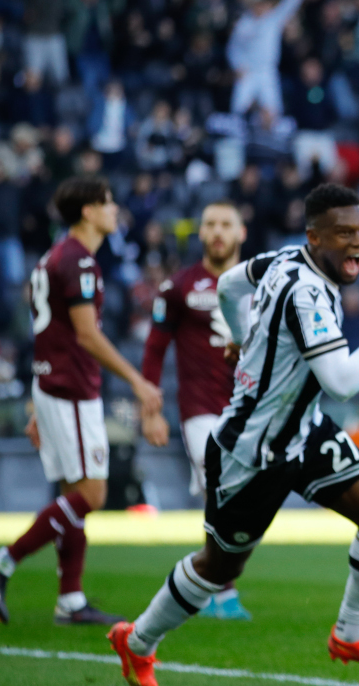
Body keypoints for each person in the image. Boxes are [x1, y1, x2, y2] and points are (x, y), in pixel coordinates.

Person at [107, 184, 359, 686]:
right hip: (251, 452)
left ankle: (351, 633)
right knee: (219, 567)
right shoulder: (305, 292)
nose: (358, 242)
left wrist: (240, 335)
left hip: (303, 429)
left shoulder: (281, 260)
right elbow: (341, 382)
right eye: (345, 233)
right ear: (315, 236)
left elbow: (230, 283)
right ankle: (138, 642)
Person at [0, 176, 164, 625]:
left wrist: (37, 401)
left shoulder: (53, 257)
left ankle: (70, 600)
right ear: (88, 211)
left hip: (51, 385)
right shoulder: (78, 261)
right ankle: (1, 561)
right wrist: (138, 380)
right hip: (73, 387)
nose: (115, 209)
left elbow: (47, 331)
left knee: (70, 492)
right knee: (92, 493)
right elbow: (85, 334)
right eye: (109, 201)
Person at [139, 201, 254, 620]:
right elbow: (154, 349)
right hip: (201, 408)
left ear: (242, 232)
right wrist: (151, 408)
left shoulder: (263, 283)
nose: (218, 231)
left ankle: (207, 579)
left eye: (227, 224)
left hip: (253, 409)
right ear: (200, 233)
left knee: (242, 499)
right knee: (218, 490)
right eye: (210, 224)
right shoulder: (179, 286)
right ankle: (220, 590)